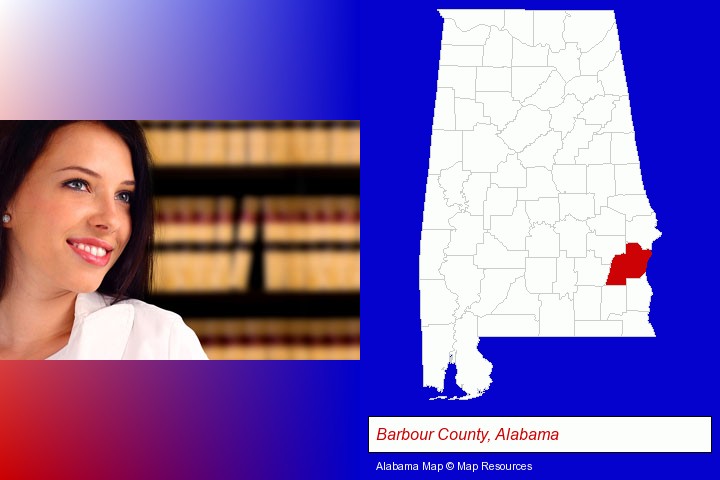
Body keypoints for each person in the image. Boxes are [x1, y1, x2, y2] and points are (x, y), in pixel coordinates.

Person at [0, 121, 207, 359]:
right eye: (78, 184)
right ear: (7, 197)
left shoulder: (160, 345)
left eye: (124, 196)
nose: (111, 220)